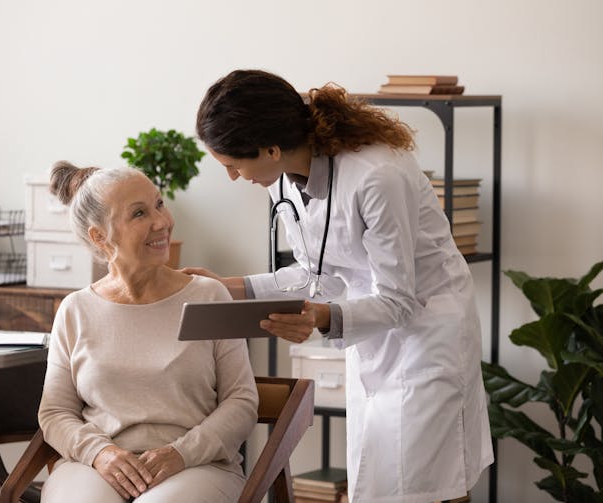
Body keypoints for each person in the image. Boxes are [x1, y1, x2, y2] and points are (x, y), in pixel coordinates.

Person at [188, 69, 494, 502]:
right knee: (391, 475)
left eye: (234, 165)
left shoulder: (376, 176)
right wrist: (228, 286)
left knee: (429, 478)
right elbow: (320, 274)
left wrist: (323, 315)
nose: (234, 177)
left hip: (428, 329)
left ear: (271, 149)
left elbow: (398, 299)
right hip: (372, 331)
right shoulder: (282, 180)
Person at [38, 161, 258, 503]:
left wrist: (180, 453)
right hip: (96, 467)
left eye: (159, 204)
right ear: (100, 236)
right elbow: (55, 413)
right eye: (139, 214)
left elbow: (241, 402)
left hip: (197, 466)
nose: (162, 222)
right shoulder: (75, 310)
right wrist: (101, 453)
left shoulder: (208, 296)